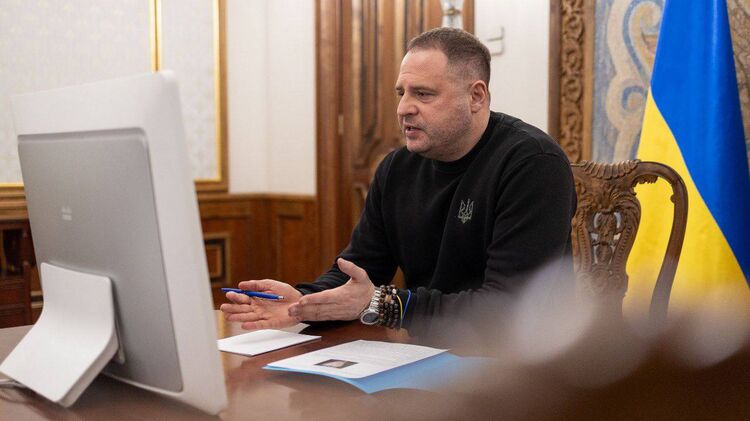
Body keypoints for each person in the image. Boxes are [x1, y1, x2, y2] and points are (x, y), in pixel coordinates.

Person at [221, 27, 577, 339]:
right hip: (426, 353)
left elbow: (506, 311)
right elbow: (358, 272)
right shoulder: (396, 168)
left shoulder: (533, 164)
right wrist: (304, 302)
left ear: (476, 96)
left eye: (423, 94)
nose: (404, 108)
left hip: (522, 368)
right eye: (401, 93)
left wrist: (386, 304)